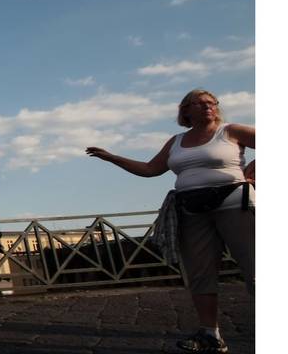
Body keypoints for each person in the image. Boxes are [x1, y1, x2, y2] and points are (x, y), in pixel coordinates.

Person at [86, 89, 255, 354]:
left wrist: (253, 171)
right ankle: (210, 334)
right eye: (198, 103)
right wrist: (113, 158)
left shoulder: (231, 131)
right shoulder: (177, 141)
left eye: (211, 102)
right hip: (191, 209)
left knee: (256, 269)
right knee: (200, 273)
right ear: (185, 110)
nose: (207, 106)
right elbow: (150, 169)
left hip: (235, 205)